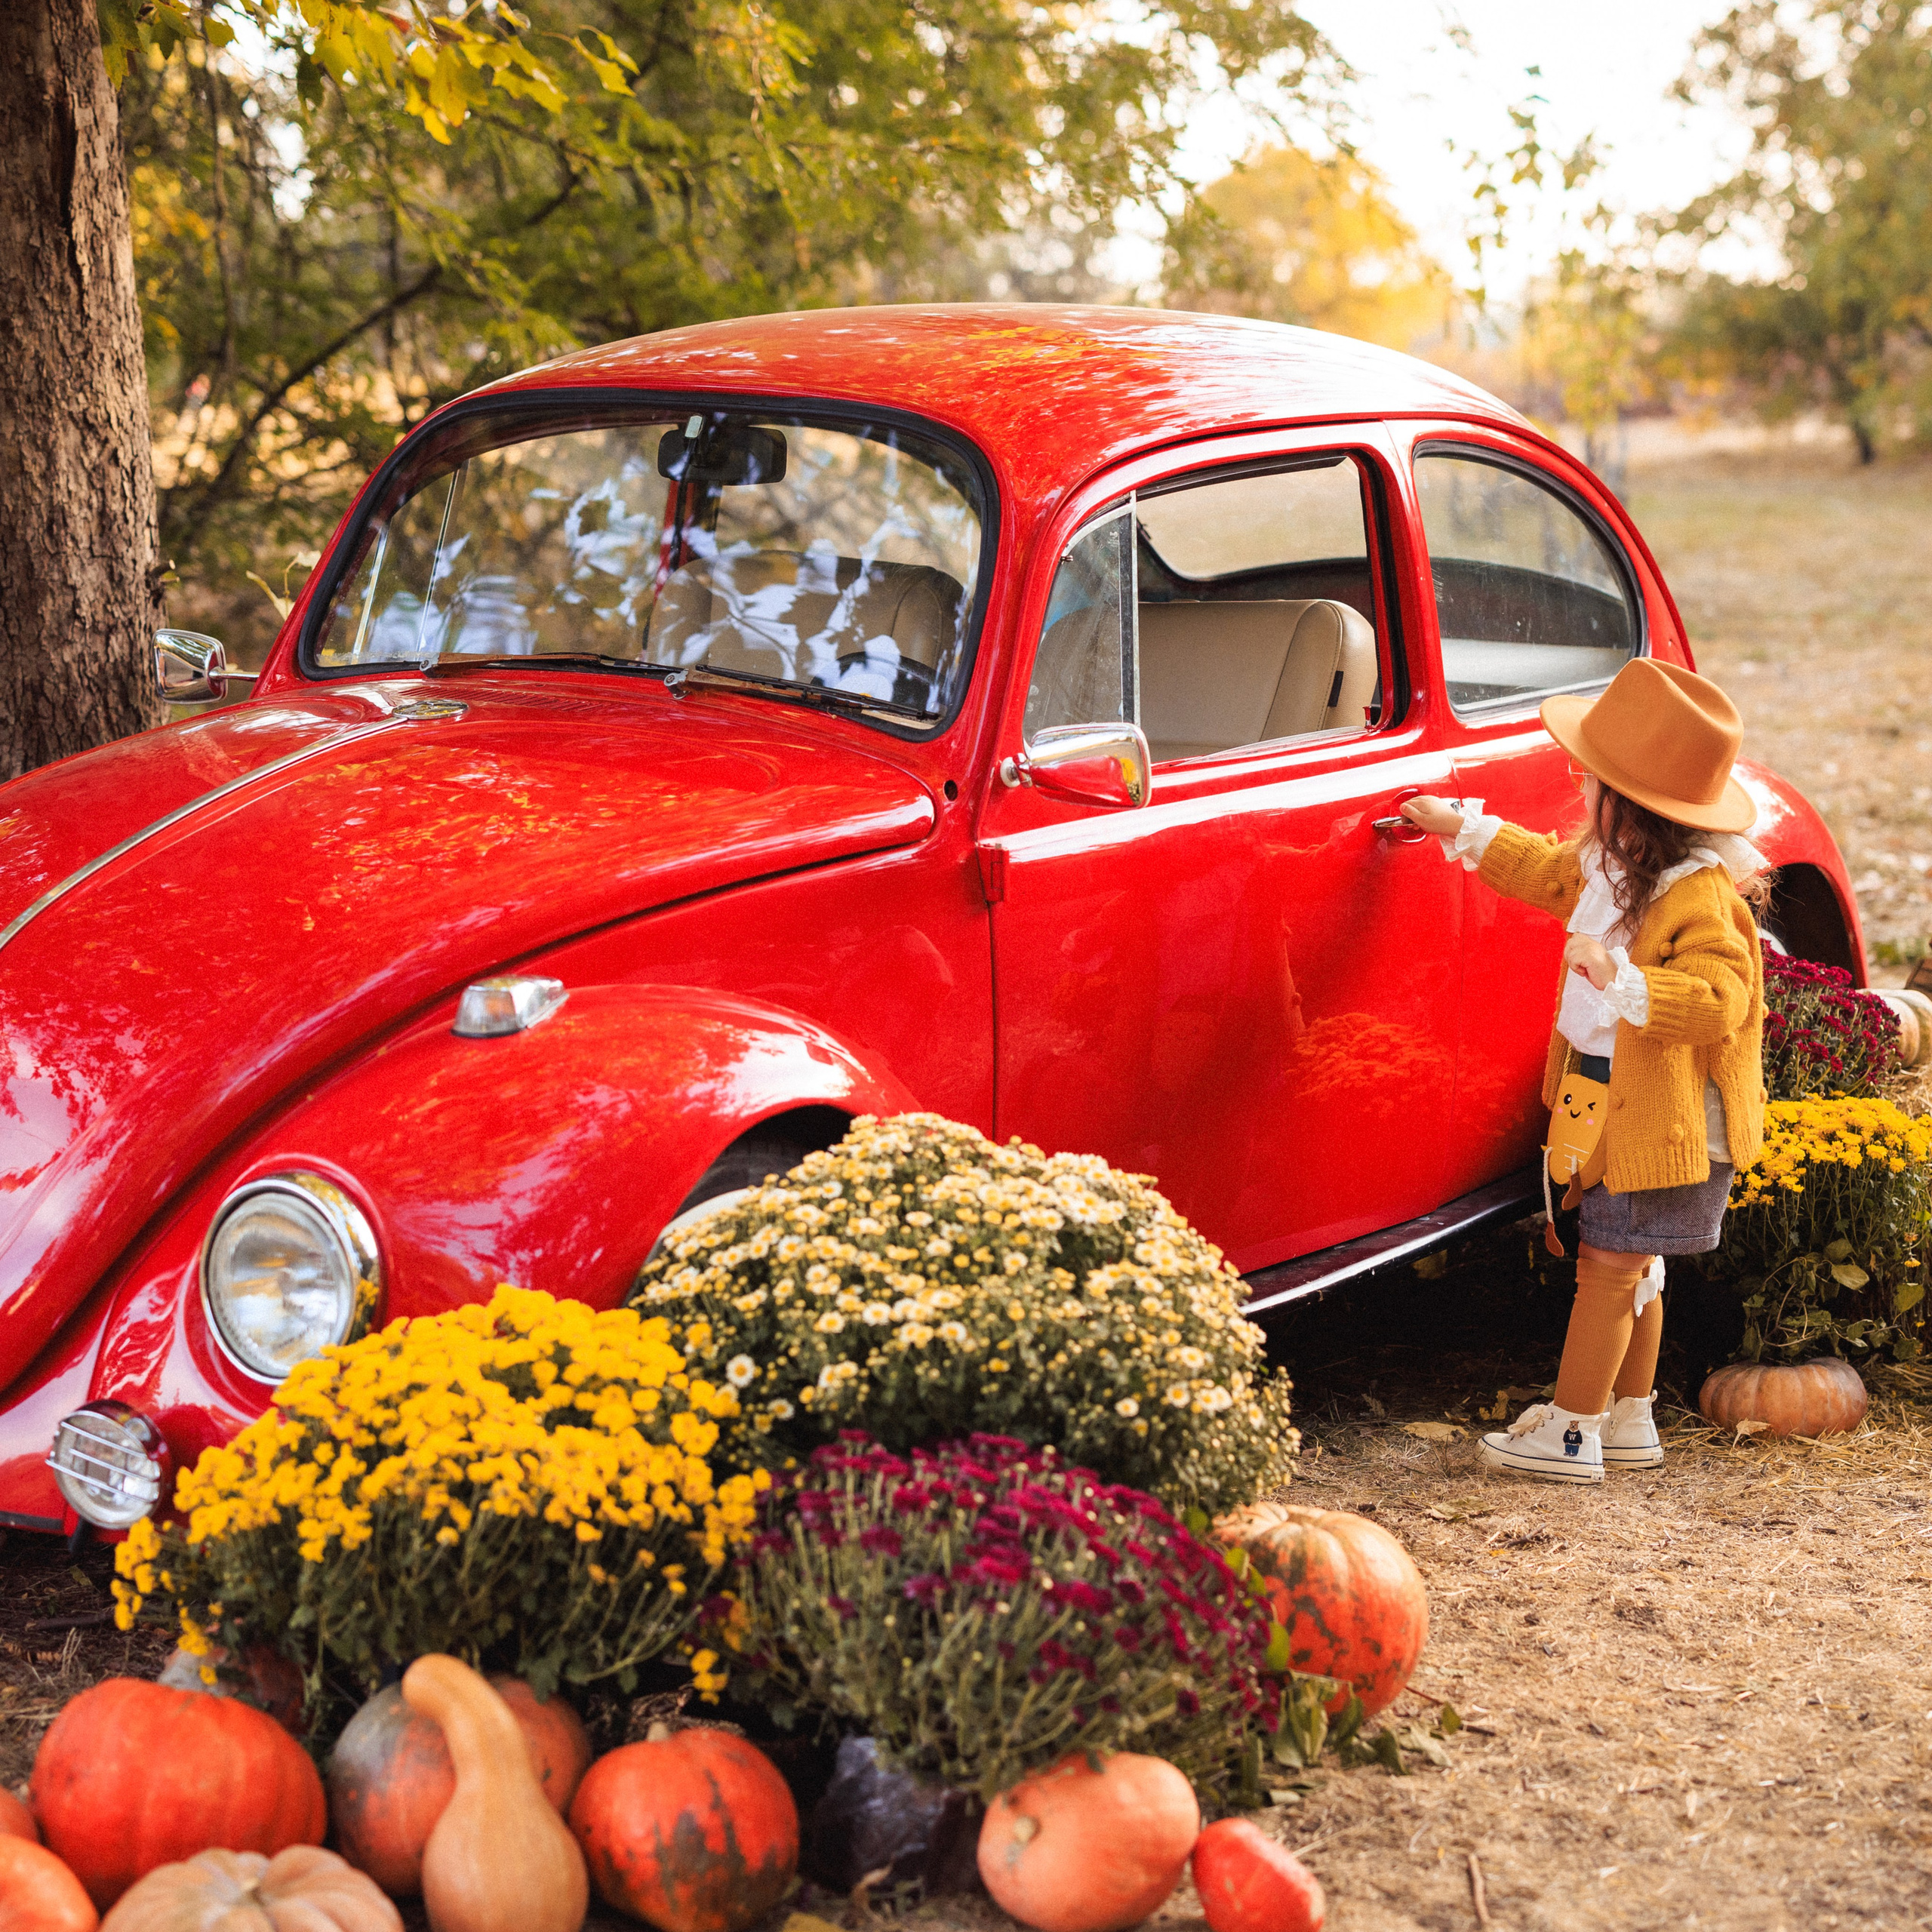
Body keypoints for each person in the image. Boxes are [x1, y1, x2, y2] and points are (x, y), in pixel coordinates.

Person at [1401, 659, 1770, 1484]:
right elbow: (1541, 868)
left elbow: (1721, 999)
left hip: (1665, 1124)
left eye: (1592, 781)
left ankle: (1570, 1430)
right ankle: (1626, 1415)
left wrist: (1623, 978)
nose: (1580, 793)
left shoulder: (1699, 899)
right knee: (1634, 1263)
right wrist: (1453, 825)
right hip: (1612, 1106)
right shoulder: (1612, 869)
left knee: (1607, 1268)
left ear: (1632, 811)